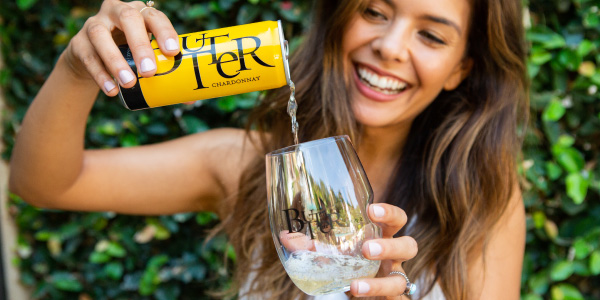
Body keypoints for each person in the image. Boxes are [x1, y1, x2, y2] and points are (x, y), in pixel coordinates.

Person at [9, 0, 528, 299]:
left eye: (432, 37)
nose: (391, 46)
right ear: (340, 16)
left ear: (463, 68)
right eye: (374, 10)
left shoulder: (483, 200)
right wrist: (76, 72)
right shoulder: (245, 166)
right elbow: (43, 183)